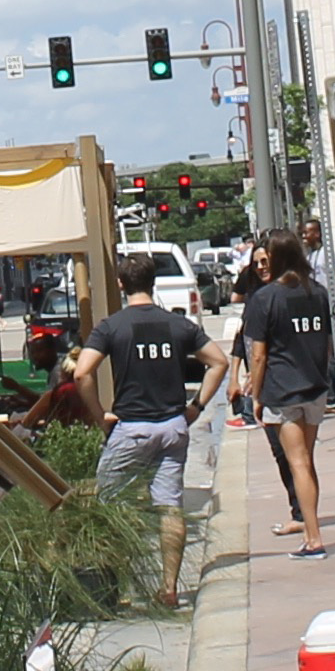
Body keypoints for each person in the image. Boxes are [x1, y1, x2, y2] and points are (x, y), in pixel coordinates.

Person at [73, 256, 221, 608]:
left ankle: (116, 587)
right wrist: (196, 406)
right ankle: (169, 589)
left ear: (121, 285)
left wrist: (99, 416)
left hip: (132, 427)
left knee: (108, 506)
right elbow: (219, 361)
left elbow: (82, 373)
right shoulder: (178, 324)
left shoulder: (111, 327)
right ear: (153, 282)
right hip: (173, 426)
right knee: (170, 507)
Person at [237, 234, 335, 557]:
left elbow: (258, 354)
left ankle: (314, 539)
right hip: (314, 387)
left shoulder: (266, 298)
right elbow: (327, 342)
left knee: (297, 463)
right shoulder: (319, 293)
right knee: (306, 462)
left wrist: (255, 394)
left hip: (283, 389)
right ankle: (312, 531)